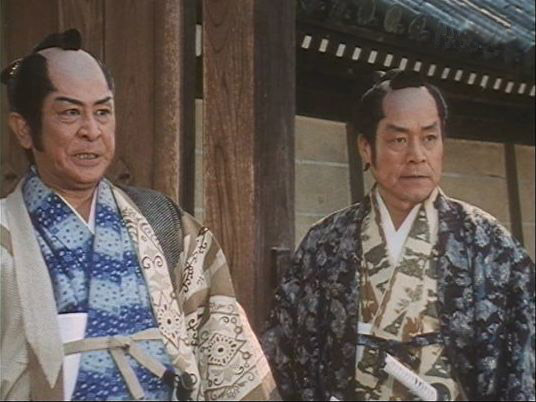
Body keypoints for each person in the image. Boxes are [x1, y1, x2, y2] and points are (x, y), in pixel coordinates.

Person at [0, 29, 277, 401]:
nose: (92, 131)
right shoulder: (6, 238)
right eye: (70, 113)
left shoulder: (165, 224)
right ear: (24, 129)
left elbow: (225, 351)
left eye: (103, 112)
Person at [262, 69, 535, 401]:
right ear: (366, 148)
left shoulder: (488, 243)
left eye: (429, 138)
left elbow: (523, 365)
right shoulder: (326, 243)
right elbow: (285, 358)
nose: (417, 155)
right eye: (399, 140)